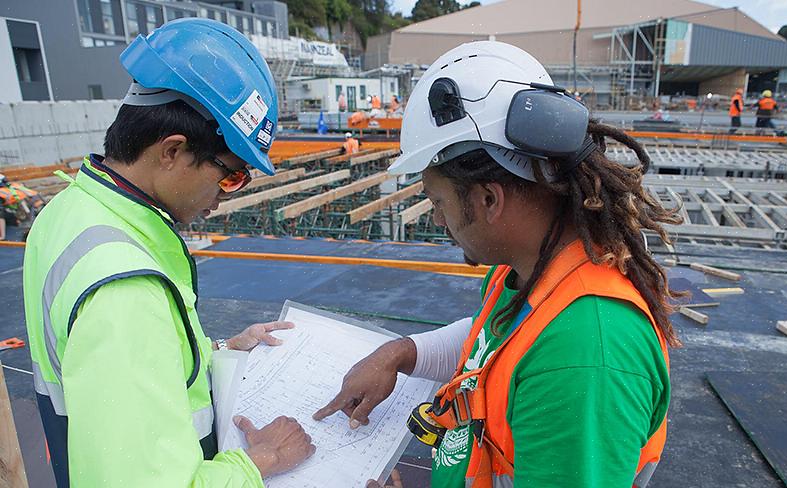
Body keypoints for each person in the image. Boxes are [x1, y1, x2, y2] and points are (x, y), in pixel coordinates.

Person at [314, 41, 681, 488]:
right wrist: (399, 354)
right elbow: (491, 346)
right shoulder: (532, 271)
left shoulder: (583, 356)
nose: (436, 219)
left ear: (489, 199)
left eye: (438, 201)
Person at [23, 18, 314, 487]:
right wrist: (261, 461)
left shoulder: (69, 211)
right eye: (230, 175)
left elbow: (112, 372)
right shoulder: (124, 288)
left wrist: (213, 351)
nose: (225, 196)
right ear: (172, 151)